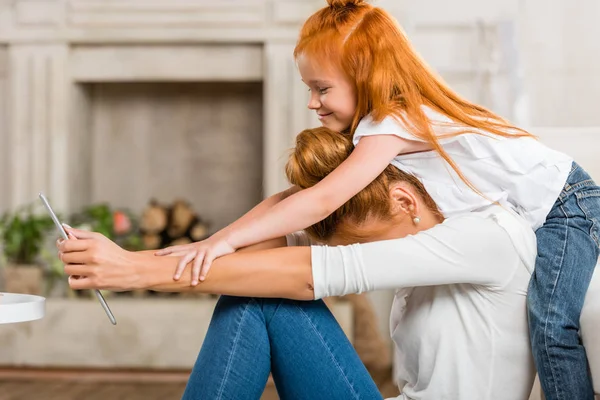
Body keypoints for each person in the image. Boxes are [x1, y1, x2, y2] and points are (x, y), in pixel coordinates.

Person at [155, 1, 600, 397]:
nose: (312, 102)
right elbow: (293, 199)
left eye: (322, 88)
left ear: (363, 76)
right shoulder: (382, 130)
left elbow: (320, 201)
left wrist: (215, 248)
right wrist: (218, 241)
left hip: (568, 203)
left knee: (552, 324)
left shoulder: (391, 121)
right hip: (550, 205)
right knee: (251, 296)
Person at [58, 127, 538, 399]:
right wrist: (181, 251)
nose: (361, 260)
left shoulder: (487, 236)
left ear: (404, 201)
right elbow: (280, 230)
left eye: (360, 247)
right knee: (255, 290)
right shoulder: (423, 228)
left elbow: (309, 276)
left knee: (265, 298)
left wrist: (137, 271)